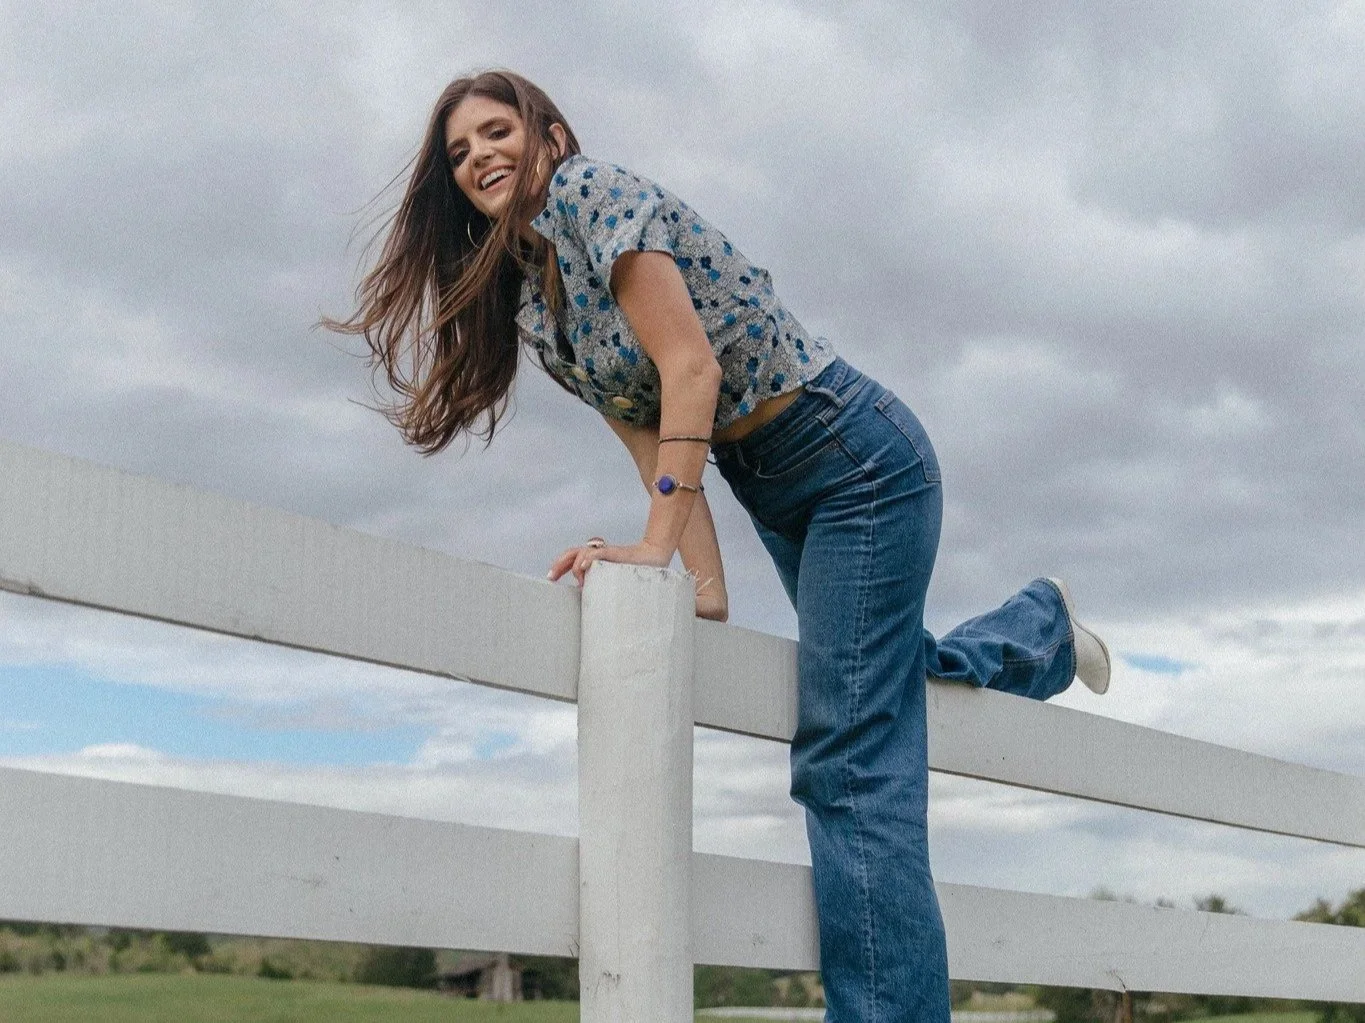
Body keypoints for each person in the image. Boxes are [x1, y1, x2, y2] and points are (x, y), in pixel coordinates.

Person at [326, 69, 1111, 1023]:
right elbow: (647, 434)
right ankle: (1040, 632)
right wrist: (695, 579)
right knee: (875, 679)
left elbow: (689, 369)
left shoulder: (591, 192)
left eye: (497, 131)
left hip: (856, 460)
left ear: (552, 136)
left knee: (846, 757)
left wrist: (655, 547)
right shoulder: (535, 302)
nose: (479, 156)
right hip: (771, 486)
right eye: (458, 152)